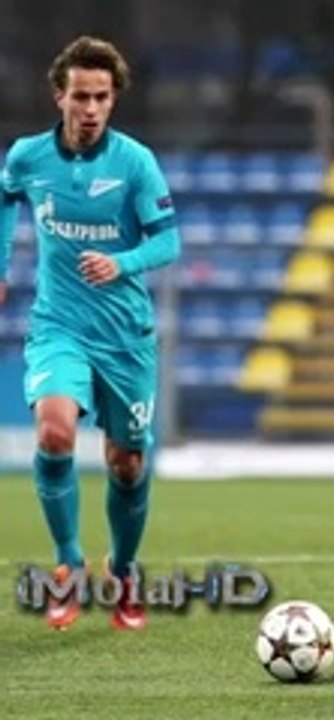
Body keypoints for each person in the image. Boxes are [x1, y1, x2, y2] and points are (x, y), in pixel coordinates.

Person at [0, 36, 181, 630]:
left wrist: (122, 262)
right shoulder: (29, 157)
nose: (91, 108)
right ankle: (68, 566)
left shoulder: (135, 162)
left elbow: (169, 242)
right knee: (53, 434)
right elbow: (5, 194)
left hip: (125, 335)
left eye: (102, 97)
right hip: (59, 326)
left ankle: (123, 570)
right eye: (81, 96)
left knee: (126, 462)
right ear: (60, 96)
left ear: (113, 100)